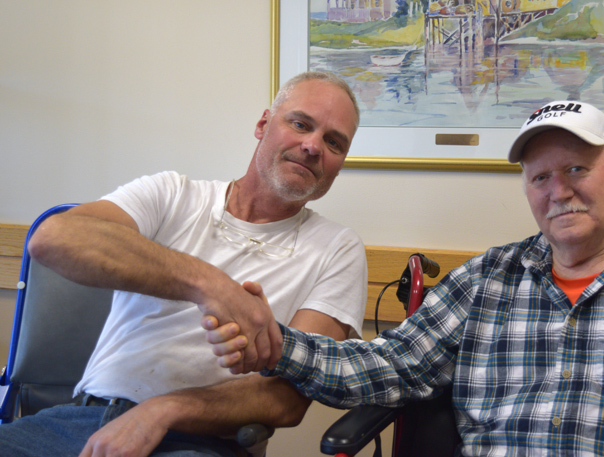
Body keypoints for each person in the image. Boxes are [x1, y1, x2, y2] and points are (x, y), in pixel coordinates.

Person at [208, 101, 604, 456]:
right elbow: (390, 365)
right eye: (539, 177)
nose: (557, 190)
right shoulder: (488, 278)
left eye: (576, 168)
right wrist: (280, 344)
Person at [0, 71, 368, 457]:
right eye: (300, 124)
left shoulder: (338, 249)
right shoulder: (172, 194)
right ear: (263, 125)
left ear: (339, 164)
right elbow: (53, 237)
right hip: (75, 422)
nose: (312, 146)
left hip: (202, 442)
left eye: (333, 142)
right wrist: (208, 284)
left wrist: (164, 410)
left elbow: (287, 400)